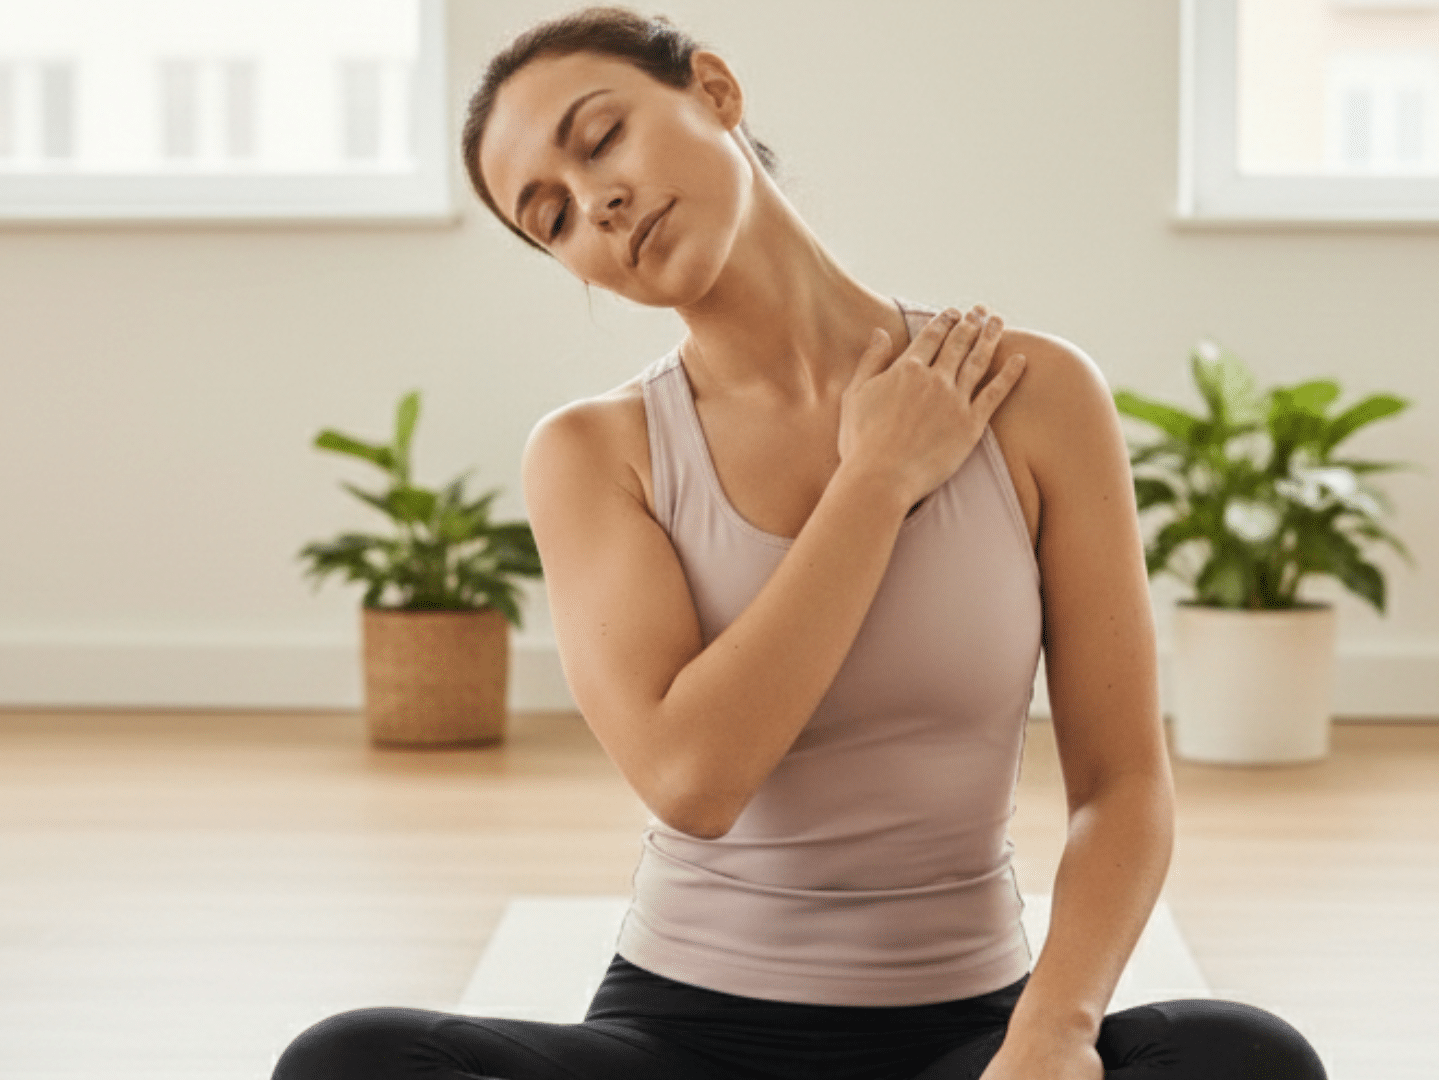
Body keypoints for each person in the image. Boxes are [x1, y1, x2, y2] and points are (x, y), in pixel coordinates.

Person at [274, 7, 1326, 1079]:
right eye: (554, 219)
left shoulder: (1033, 396)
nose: (598, 203)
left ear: (716, 91)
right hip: (683, 1039)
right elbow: (694, 777)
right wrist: (876, 481)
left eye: (601, 140)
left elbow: (1123, 786)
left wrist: (1052, 1033)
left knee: (1243, 1057)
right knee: (348, 1063)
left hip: (970, 1038)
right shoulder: (596, 454)